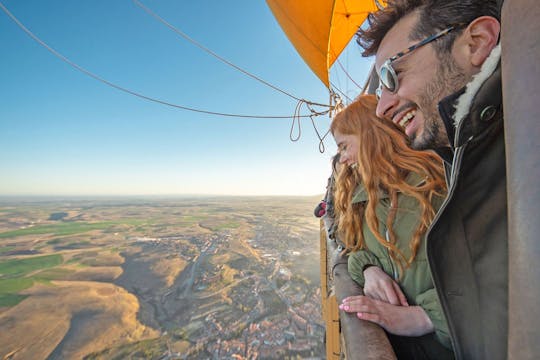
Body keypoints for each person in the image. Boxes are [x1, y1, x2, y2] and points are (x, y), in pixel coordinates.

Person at [356, 1, 507, 359]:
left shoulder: (512, 147)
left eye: (392, 76)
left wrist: (426, 318)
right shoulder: (463, 156)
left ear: (477, 41)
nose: (382, 107)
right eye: (379, 91)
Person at [332, 95, 451, 359]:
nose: (342, 159)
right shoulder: (365, 199)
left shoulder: (437, 184)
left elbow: (490, 269)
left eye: (343, 147)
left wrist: (425, 317)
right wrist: (368, 269)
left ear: (369, 135)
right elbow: (356, 249)